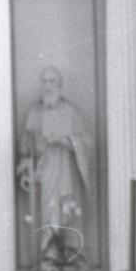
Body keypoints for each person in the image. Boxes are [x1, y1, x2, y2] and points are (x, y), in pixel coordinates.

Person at [19, 64, 92, 243]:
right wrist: (26, 161)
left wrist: (66, 141)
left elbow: (87, 142)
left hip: (67, 172)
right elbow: (25, 146)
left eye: (52, 81)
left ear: (60, 85)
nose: (48, 86)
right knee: (48, 215)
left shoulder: (71, 112)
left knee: (67, 214)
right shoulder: (34, 113)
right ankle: (48, 255)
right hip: (44, 173)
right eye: (44, 82)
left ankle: (66, 253)